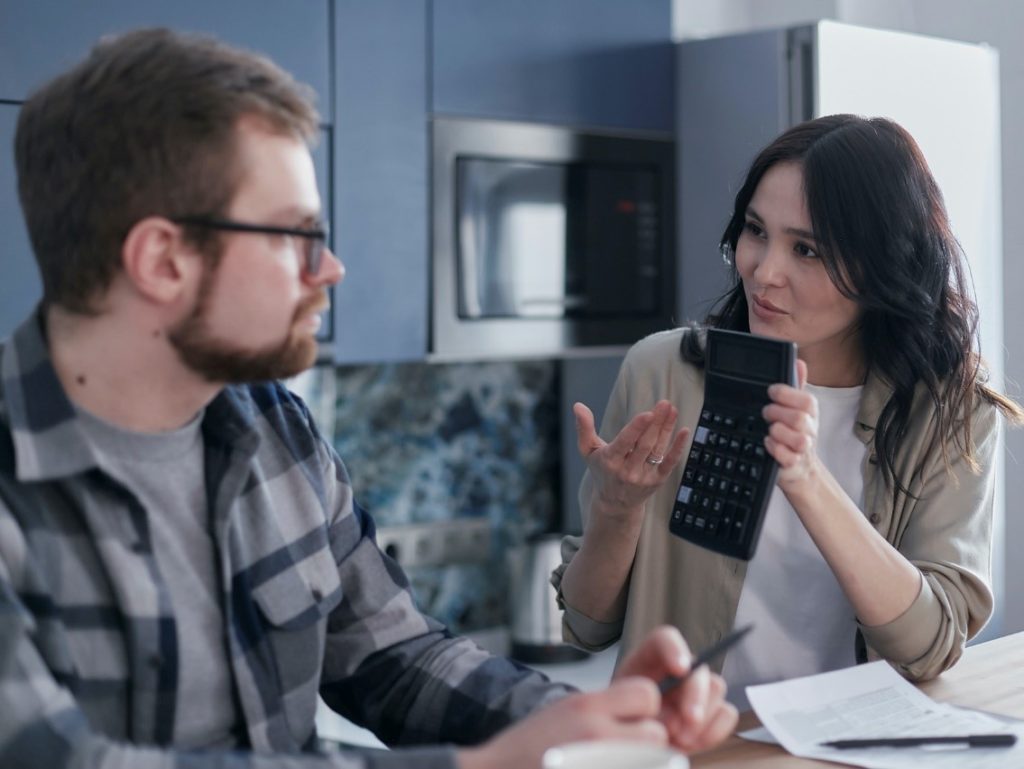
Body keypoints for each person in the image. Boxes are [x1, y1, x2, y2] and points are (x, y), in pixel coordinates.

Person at [0, 27, 738, 769]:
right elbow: (54, 757)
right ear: (163, 260)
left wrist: (577, 717)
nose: (333, 268)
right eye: (296, 235)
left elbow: (393, 653)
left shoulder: (275, 427)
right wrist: (482, 765)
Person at [554, 114, 1024, 709]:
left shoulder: (952, 411)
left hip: (847, 751)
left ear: (883, 267)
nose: (763, 271)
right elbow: (588, 626)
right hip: (694, 750)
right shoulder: (662, 372)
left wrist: (804, 475)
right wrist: (617, 512)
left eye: (806, 249)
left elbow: (928, 646)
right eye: (755, 230)